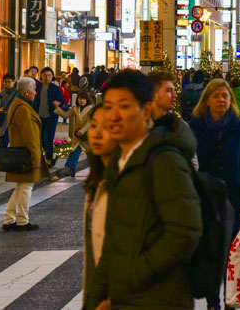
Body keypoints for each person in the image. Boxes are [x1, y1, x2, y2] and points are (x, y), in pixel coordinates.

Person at [88, 69, 202, 310]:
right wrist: (95, 299)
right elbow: (113, 242)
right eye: (108, 107)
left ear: (146, 111)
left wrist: (131, 276)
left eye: (124, 106)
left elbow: (185, 232)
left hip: (159, 299)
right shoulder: (120, 161)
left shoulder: (164, 160)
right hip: (125, 297)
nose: (114, 116)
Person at [189, 78, 240, 310]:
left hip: (233, 199)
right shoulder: (194, 128)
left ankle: (230, 301)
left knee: (231, 255)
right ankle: (213, 302)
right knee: (211, 253)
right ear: (206, 100)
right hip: (205, 199)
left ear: (231, 100)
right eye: (215, 96)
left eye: (225, 96)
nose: (221, 100)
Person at [2, 77, 49, 231]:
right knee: (25, 188)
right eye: (34, 90)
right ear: (27, 92)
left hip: (21, 151)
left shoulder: (19, 104)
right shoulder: (22, 108)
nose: (36, 93)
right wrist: (36, 157)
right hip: (25, 154)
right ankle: (22, 220)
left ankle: (9, 219)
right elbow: (29, 136)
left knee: (21, 187)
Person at [81, 103, 115, 307]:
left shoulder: (133, 179)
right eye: (94, 125)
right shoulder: (96, 181)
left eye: (107, 126)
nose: (97, 133)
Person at [53, 91, 94, 178]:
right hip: (77, 135)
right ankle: (71, 169)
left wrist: (82, 131)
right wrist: (57, 108)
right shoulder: (75, 109)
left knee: (90, 154)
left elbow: (90, 122)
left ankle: (95, 170)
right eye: (80, 99)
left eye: (83, 99)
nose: (81, 101)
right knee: (74, 151)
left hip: (87, 135)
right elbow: (65, 115)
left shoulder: (91, 109)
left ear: (87, 100)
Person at [34, 67, 64, 164]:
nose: (47, 77)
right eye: (45, 75)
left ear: (52, 77)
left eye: (49, 75)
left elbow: (62, 101)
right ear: (41, 76)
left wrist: (58, 103)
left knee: (48, 138)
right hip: (40, 116)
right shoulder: (37, 87)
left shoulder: (55, 88)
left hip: (51, 117)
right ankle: (52, 156)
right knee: (42, 139)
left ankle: (49, 160)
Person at [0, 74, 17, 149]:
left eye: (9, 82)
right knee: (3, 143)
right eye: (5, 82)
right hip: (5, 121)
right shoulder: (2, 92)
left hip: (15, 120)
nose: (7, 84)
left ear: (14, 81)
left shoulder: (18, 92)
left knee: (15, 144)